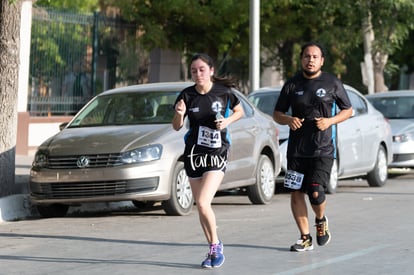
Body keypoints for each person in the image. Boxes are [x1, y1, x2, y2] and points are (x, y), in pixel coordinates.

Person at [273, 42, 353, 252]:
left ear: (322, 60)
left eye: (315, 57)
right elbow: (277, 113)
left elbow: (348, 110)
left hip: (323, 149)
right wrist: (288, 120)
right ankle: (305, 237)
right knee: (296, 192)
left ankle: (320, 219)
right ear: (301, 59)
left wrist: (330, 121)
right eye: (307, 56)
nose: (311, 60)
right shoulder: (292, 85)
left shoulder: (331, 82)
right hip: (297, 150)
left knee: (315, 192)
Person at [172, 53, 244, 268]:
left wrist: (227, 121)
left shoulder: (224, 92)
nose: (198, 74)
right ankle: (213, 245)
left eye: (202, 69)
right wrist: (178, 113)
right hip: (194, 153)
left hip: (217, 151)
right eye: (194, 70)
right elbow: (176, 126)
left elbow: (239, 111)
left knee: (204, 202)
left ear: (211, 70)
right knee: (201, 206)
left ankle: (216, 246)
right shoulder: (186, 95)